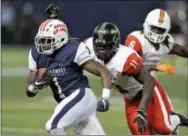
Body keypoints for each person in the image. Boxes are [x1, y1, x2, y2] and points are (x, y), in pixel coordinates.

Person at [84, 22, 177, 135]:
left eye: (105, 47)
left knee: (163, 128)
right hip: (130, 100)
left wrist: (142, 110)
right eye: (99, 46)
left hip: (148, 94)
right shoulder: (87, 47)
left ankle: (178, 120)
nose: (101, 51)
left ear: (114, 44)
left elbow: (149, 81)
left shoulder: (125, 59)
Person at [25, 18, 113, 135]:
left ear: (60, 38)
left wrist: (105, 98)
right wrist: (35, 85)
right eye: (41, 40)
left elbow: (104, 71)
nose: (43, 44)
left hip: (82, 96)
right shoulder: (36, 55)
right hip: (67, 103)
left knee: (53, 126)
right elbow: (29, 92)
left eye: (47, 40)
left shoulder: (73, 50)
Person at [124, 9, 188, 135]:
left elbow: (179, 49)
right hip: (131, 94)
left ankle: (178, 119)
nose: (157, 33)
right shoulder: (136, 40)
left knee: (163, 128)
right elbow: (131, 67)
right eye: (154, 28)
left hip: (150, 87)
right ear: (147, 25)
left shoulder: (165, 43)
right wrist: (157, 67)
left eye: (161, 30)